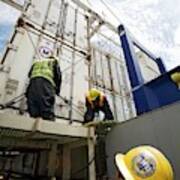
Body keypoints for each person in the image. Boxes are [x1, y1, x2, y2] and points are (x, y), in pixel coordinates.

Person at [26, 55, 62, 121]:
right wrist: (57, 90)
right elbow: (58, 76)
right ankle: (47, 127)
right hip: (46, 84)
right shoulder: (53, 61)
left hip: (32, 85)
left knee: (33, 107)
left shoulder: (36, 62)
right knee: (47, 108)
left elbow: (29, 74)